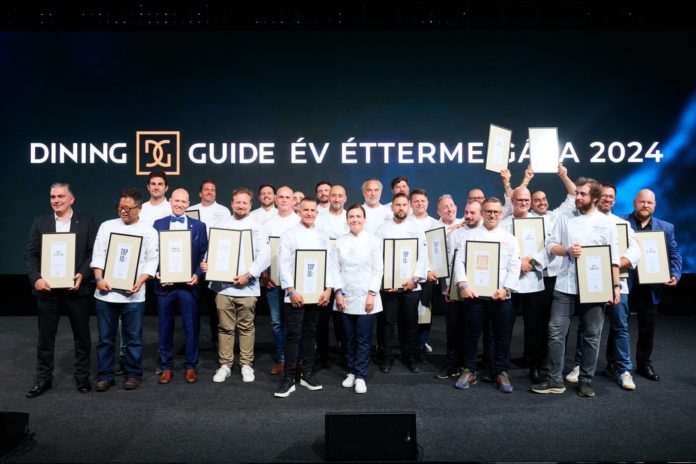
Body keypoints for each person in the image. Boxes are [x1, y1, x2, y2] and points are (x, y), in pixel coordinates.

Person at [531, 178, 620, 397]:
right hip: (565, 284)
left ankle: (586, 380)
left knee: (592, 335)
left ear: (595, 198)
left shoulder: (607, 223)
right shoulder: (565, 218)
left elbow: (613, 257)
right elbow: (551, 245)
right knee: (555, 332)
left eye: (582, 194)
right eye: (577, 193)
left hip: (595, 286)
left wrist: (615, 285)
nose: (577, 197)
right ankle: (554, 380)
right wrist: (567, 251)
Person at [25, 183, 97, 397]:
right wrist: (36, 279)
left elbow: (93, 253)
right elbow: (31, 255)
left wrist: (82, 274)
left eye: (61, 196)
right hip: (48, 290)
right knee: (45, 338)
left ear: (71, 199)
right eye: (53, 197)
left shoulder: (86, 222)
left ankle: (82, 376)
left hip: (77, 289)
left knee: (82, 337)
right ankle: (43, 379)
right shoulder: (40, 222)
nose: (56, 200)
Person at [572, 183, 641, 390]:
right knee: (586, 326)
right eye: (603, 195)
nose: (607, 199)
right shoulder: (583, 221)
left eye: (611, 196)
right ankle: (579, 366)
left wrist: (612, 265)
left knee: (620, 327)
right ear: (596, 197)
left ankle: (624, 370)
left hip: (617, 284)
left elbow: (635, 251)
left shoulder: (622, 224)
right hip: (590, 283)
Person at [91, 187, 159, 391]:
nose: (123, 211)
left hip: (134, 296)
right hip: (106, 294)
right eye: (120, 207)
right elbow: (98, 255)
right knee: (105, 339)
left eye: (128, 208)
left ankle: (133, 374)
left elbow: (152, 261)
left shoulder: (149, 231)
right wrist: (99, 278)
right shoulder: (107, 226)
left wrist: (141, 281)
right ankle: (105, 375)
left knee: (133, 339)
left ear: (139, 209)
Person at [203, 188, 270, 383]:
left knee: (246, 327)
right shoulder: (220, 225)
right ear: (232, 204)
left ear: (250, 205)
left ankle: (246, 364)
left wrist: (248, 275)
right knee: (224, 327)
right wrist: (206, 263)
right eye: (237, 202)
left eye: (244, 203)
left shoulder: (258, 227)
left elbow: (265, 256)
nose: (241, 206)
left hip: (247, 287)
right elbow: (211, 251)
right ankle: (225, 365)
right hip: (223, 287)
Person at [453, 197, 521, 393]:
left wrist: (506, 289)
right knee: (471, 334)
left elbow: (514, 266)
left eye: (496, 212)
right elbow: (459, 262)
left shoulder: (510, 239)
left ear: (501, 213)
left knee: (502, 335)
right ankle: (469, 370)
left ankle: (501, 371)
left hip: (500, 295)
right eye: (488, 211)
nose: (492, 215)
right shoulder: (468, 236)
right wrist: (463, 285)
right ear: (482, 213)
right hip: (474, 295)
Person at [274, 197, 334, 397]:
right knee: (293, 335)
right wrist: (291, 290)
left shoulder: (323, 236)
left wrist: (328, 289)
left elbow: (330, 264)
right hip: (295, 295)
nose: (309, 213)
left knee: (310, 334)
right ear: (298, 211)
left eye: (312, 210)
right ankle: (288, 378)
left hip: (316, 294)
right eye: (305, 210)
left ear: (317, 213)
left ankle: (307, 373)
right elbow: (283, 265)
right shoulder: (289, 235)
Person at [624, 188, 682, 381]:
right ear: (635, 203)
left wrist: (675, 274)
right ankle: (613, 364)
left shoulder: (666, 228)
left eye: (649, 202)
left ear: (654, 205)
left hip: (651, 287)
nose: (645, 205)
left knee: (647, 328)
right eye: (642, 202)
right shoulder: (621, 223)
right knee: (619, 326)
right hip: (625, 284)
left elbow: (674, 255)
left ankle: (644, 364)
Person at [153, 188, 208, 384]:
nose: (179, 204)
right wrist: (157, 272)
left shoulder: (199, 226)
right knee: (165, 327)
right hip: (165, 285)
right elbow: (152, 253)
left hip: (189, 286)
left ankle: (190, 366)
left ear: (188, 204)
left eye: (183, 201)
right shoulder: (158, 224)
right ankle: (166, 366)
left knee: (191, 328)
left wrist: (197, 274)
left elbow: (204, 255)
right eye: (176, 201)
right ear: (170, 201)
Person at [332, 204, 384, 394]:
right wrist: (338, 292)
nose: (355, 219)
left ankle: (361, 375)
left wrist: (372, 294)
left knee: (363, 338)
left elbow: (378, 270)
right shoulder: (339, 242)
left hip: (366, 297)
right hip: (345, 297)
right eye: (351, 216)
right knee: (348, 338)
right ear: (347, 220)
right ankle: (351, 371)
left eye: (358, 216)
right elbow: (334, 269)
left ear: (364, 219)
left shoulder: (373, 241)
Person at [499, 186, 548, 383]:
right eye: (520, 200)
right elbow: (499, 251)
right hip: (510, 283)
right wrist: (517, 263)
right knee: (504, 327)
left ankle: (534, 366)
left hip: (534, 282)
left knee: (535, 328)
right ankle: (501, 367)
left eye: (527, 200)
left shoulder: (541, 222)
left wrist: (532, 262)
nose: (524, 203)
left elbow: (548, 248)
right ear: (512, 201)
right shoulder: (503, 224)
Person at [374, 193, 428, 373]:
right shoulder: (381, 230)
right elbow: (377, 258)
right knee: (387, 324)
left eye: (404, 205)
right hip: (388, 287)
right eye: (398, 205)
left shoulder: (417, 229)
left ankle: (410, 357)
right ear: (392, 207)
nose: (401, 208)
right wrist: (385, 280)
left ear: (409, 207)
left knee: (410, 324)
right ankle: (386, 358)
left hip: (411, 287)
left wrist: (414, 279)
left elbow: (422, 257)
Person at [436, 200, 482, 379]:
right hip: (455, 288)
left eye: (473, 213)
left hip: (479, 289)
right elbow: (449, 262)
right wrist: (447, 287)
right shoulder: (455, 233)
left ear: (481, 214)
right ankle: (451, 365)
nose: (468, 216)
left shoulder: (485, 233)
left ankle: (468, 366)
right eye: (466, 212)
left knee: (472, 331)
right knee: (453, 329)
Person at [187, 180, 232, 348]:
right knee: (194, 304)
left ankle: (217, 340)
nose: (209, 192)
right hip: (194, 262)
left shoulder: (223, 211)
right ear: (200, 193)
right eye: (206, 189)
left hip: (216, 262)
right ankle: (193, 342)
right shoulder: (190, 211)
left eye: (212, 190)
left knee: (216, 304)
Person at [262, 186, 300, 375]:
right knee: (277, 322)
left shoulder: (299, 222)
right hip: (273, 282)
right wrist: (264, 274)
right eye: (281, 197)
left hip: (296, 284)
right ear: (276, 200)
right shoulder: (267, 224)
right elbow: (262, 252)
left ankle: (297, 359)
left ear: (294, 200)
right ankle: (282, 360)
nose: (284, 200)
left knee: (295, 323)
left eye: (288, 197)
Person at [315, 184, 349, 368]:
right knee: (322, 319)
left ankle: (344, 355)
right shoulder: (319, 218)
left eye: (340, 196)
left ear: (345, 198)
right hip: (324, 273)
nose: (336, 199)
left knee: (342, 318)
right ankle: (322, 356)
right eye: (333, 195)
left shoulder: (350, 217)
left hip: (345, 274)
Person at [409, 189, 440, 358]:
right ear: (411, 204)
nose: (420, 204)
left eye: (423, 201)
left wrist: (429, 271)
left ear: (427, 203)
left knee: (425, 310)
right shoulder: (406, 223)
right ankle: (411, 343)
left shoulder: (435, 224)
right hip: (410, 275)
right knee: (410, 312)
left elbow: (437, 252)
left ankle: (423, 341)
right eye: (416, 201)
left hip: (430, 275)